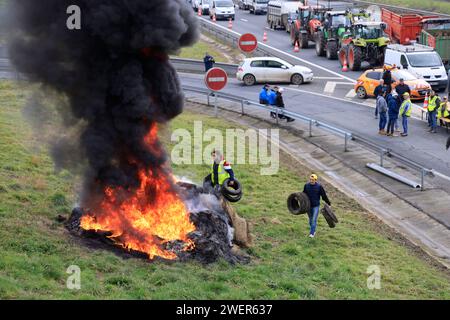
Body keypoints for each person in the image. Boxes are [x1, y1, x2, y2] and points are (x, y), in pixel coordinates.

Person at [303, 174, 331, 238]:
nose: (311, 181)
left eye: (312, 180)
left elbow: (323, 196)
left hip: (316, 206)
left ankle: (312, 233)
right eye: (310, 179)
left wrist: (328, 203)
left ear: (315, 180)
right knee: (310, 220)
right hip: (308, 206)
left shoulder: (319, 187)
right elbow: (303, 194)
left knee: (313, 220)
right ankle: (314, 230)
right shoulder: (306, 186)